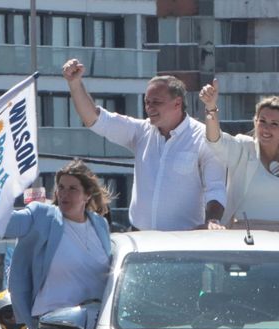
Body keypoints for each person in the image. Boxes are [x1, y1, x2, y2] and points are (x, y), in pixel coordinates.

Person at [62, 58, 226, 231]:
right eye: (147, 102)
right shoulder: (141, 132)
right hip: (141, 240)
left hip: (184, 243)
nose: (149, 108)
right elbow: (94, 119)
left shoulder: (204, 137)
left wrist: (212, 221)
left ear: (177, 103)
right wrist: (74, 83)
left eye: (156, 102)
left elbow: (215, 188)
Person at [199, 79, 279, 233]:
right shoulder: (244, 147)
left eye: (274, 124)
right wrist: (210, 107)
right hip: (247, 239)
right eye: (262, 121)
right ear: (255, 123)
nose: (267, 128)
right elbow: (215, 141)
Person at [4, 159, 112, 329]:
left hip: (97, 328)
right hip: (54, 328)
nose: (64, 194)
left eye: (72, 189)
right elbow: (5, 224)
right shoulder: (41, 216)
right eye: (61, 187)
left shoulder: (100, 224)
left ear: (88, 194)